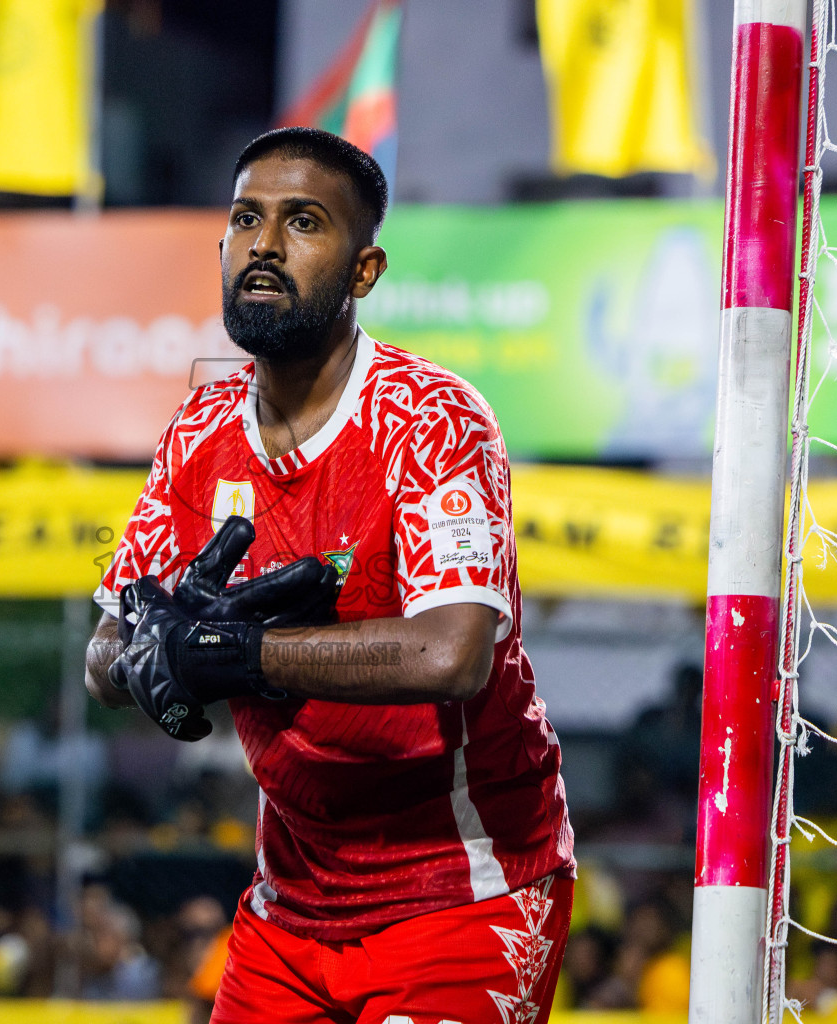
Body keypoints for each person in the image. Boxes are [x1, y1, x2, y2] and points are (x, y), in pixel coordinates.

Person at [85, 126, 576, 1024]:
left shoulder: (434, 420)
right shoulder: (197, 433)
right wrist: (158, 653)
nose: (264, 246)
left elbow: (449, 653)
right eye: (246, 220)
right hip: (292, 908)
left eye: (303, 222)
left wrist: (242, 652)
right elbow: (107, 647)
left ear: (364, 271)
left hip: (467, 891)